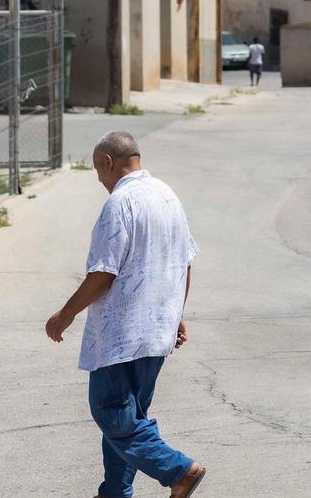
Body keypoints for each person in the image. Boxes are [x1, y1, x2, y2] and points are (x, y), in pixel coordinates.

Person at [46, 131, 206, 498]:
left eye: (97, 172)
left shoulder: (120, 203)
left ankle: (179, 471)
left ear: (108, 162)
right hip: (156, 334)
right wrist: (175, 313)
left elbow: (103, 273)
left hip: (122, 337)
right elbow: (185, 263)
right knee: (128, 424)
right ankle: (115, 492)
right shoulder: (168, 196)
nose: (100, 181)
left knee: (113, 415)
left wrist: (65, 315)